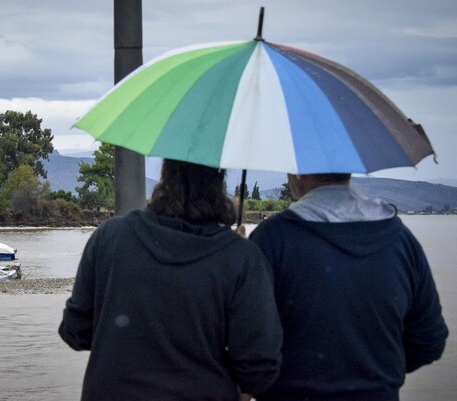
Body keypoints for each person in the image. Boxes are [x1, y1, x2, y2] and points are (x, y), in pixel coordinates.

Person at [59, 159, 283, 401]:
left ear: (164, 174)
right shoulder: (241, 258)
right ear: (219, 183)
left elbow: (75, 332)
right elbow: (259, 367)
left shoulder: (109, 236)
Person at [249, 173, 449, 401]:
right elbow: (429, 340)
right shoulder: (401, 240)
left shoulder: (271, 239)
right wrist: (376, 375)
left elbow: (249, 342)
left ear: (297, 172)